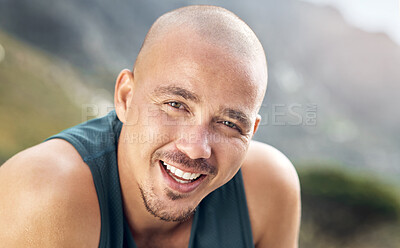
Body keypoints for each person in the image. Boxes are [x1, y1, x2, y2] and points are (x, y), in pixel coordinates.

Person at [0, 5, 300, 248]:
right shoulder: (44, 197)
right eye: (176, 105)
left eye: (228, 123)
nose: (196, 147)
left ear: (251, 132)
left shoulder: (267, 192)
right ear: (125, 98)